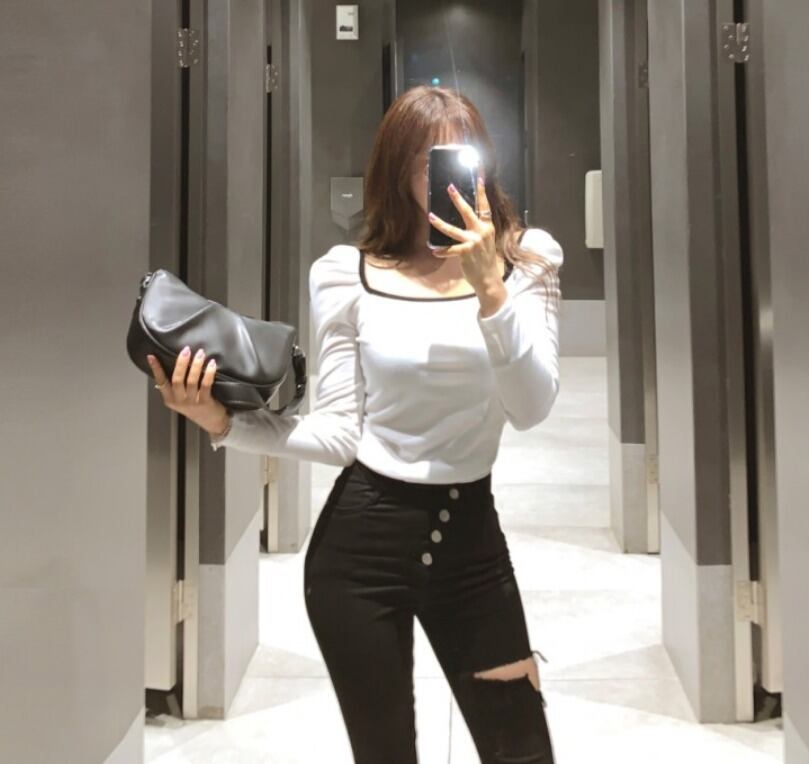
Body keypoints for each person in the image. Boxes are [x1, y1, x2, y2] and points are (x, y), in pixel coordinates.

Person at [146, 86, 561, 763]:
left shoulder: (529, 262)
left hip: (472, 550)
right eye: (427, 162)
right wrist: (222, 421)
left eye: (462, 157)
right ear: (398, 173)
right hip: (359, 555)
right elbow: (340, 433)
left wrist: (491, 291)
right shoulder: (348, 274)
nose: (449, 180)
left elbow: (532, 407)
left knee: (522, 750)